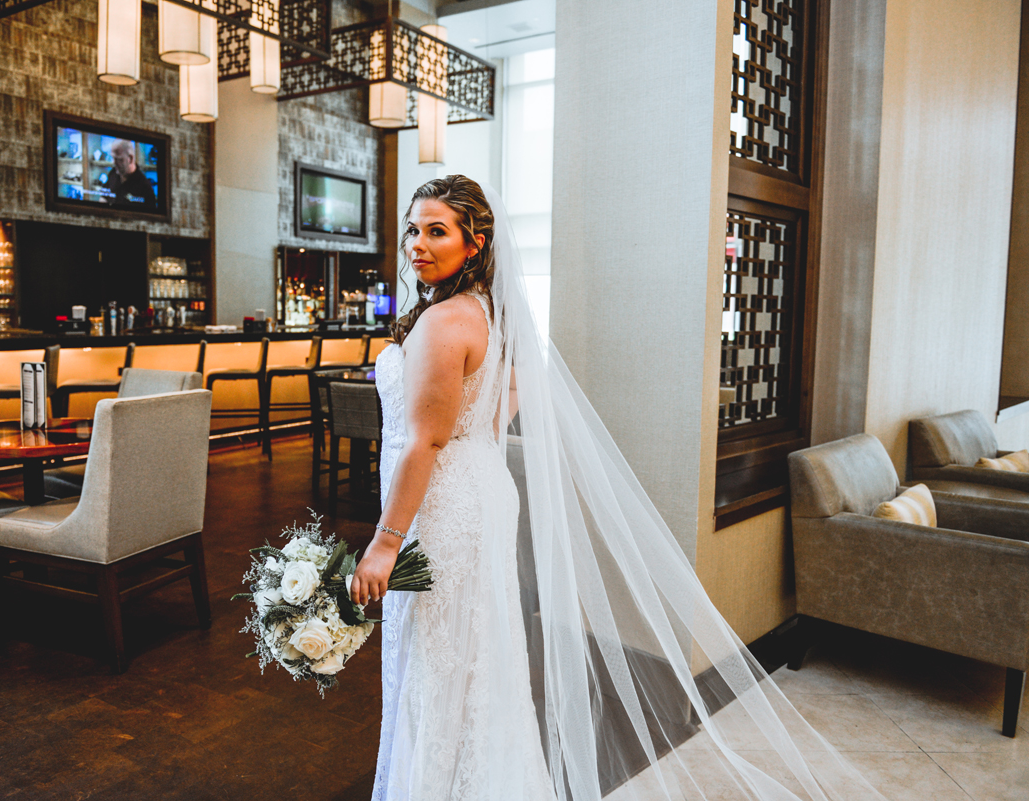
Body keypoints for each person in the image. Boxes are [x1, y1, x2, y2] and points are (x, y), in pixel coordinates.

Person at [351, 175, 888, 800]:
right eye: (413, 230)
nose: (417, 243)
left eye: (437, 230)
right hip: (477, 492)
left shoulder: (444, 321)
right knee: (474, 654)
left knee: (437, 657)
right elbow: (500, 403)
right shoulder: (485, 312)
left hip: (443, 505)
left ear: (475, 243)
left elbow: (424, 442)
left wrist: (386, 543)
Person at [105, 140, 156, 211]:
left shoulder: (145, 187)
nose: (113, 162)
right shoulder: (113, 173)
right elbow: (104, 197)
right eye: (113, 158)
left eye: (118, 159)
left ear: (130, 159)